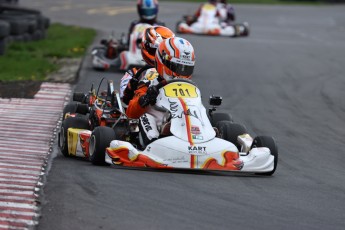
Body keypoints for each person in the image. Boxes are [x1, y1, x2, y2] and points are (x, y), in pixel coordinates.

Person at [126, 37, 195, 148]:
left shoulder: (190, 87)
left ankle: (205, 137)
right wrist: (146, 98)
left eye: (185, 68)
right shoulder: (149, 81)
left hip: (183, 122)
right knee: (146, 117)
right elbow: (130, 113)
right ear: (163, 62)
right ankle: (154, 145)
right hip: (157, 125)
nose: (180, 73)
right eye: (177, 67)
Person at [120, 25, 175, 105]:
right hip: (144, 112)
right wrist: (132, 86)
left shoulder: (175, 73)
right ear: (147, 47)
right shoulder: (134, 73)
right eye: (156, 51)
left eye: (164, 53)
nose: (159, 56)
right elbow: (124, 100)